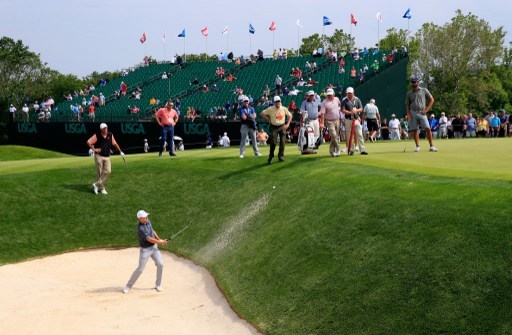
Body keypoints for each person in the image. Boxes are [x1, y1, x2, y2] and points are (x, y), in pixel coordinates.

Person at [123, 210, 168, 294]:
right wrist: (161, 242)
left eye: (147, 216)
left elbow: (152, 231)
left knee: (160, 264)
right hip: (145, 250)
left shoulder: (148, 221)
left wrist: (159, 239)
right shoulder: (141, 229)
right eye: (145, 217)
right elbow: (150, 240)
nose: (147, 218)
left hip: (154, 248)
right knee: (140, 269)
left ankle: (158, 285)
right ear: (140, 219)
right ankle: (128, 286)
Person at [86, 123, 124, 195]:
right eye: (104, 128)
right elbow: (88, 142)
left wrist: (120, 151)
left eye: (106, 128)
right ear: (101, 129)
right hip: (99, 156)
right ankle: (102, 188)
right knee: (100, 173)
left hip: (107, 156)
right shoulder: (97, 135)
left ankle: (96, 185)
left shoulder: (110, 135)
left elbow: (115, 143)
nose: (106, 129)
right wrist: (94, 149)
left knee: (108, 171)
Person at [405, 75, 437, 152]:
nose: (413, 83)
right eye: (412, 82)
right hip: (413, 112)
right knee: (415, 130)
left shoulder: (424, 90)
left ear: (418, 82)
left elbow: (432, 100)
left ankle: (431, 146)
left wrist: (426, 110)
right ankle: (417, 146)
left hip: (422, 112)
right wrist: (408, 113)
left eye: (414, 82)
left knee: (428, 128)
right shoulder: (409, 93)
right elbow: (407, 104)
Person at [260, 96, 293, 164]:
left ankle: (280, 156)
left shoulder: (283, 109)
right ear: (274, 102)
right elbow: (262, 113)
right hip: (274, 127)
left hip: (282, 126)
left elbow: (290, 115)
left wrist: (288, 124)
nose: (278, 103)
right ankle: (271, 156)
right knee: (273, 142)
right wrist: (268, 119)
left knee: (283, 142)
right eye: (276, 102)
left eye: (278, 101)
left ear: (280, 102)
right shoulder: (271, 109)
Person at [341, 87, 367, 155]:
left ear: (353, 93)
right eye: (348, 93)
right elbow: (343, 110)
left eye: (350, 93)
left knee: (359, 134)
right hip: (348, 120)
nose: (349, 94)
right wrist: (350, 112)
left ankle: (362, 149)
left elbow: (361, 108)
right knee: (349, 136)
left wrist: (356, 111)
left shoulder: (357, 99)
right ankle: (351, 150)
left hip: (356, 119)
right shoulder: (344, 100)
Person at [320, 88, 342, 156]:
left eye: (331, 95)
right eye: (328, 95)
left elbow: (339, 105)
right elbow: (322, 114)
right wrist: (322, 123)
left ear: (333, 94)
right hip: (329, 121)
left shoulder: (337, 99)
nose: (329, 96)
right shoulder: (324, 102)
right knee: (333, 135)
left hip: (337, 120)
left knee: (335, 136)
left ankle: (332, 152)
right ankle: (338, 148)